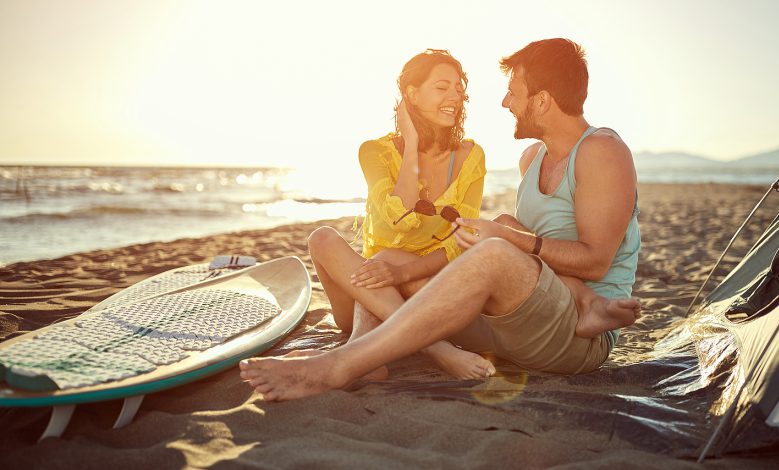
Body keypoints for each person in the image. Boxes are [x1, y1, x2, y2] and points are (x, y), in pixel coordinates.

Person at [240, 38, 642, 401]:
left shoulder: (602, 151)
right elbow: (527, 254)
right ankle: (380, 351)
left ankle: (337, 366)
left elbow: (595, 261)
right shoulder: (531, 160)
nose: (505, 103)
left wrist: (505, 238)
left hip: (576, 332)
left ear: (541, 102)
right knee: (398, 264)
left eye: (513, 93)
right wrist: (501, 234)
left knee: (495, 251)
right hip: (519, 319)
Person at [301, 49, 496, 380]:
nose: (455, 98)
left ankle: (359, 352)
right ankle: (437, 349)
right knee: (322, 238)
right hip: (368, 288)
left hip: (427, 290)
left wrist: (402, 274)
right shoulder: (374, 152)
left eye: (459, 90)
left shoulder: (470, 157)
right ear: (412, 95)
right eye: (442, 87)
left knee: (390, 258)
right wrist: (412, 145)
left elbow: (461, 242)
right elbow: (399, 217)